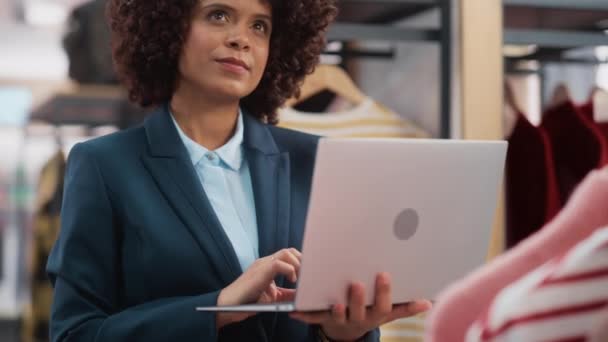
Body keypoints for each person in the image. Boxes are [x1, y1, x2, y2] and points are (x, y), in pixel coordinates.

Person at [46, 0, 432, 341]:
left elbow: (329, 318)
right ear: (169, 25)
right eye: (218, 15)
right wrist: (217, 308)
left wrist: (343, 334)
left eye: (259, 25)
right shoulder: (104, 166)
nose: (241, 39)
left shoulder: (316, 161)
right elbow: (75, 333)